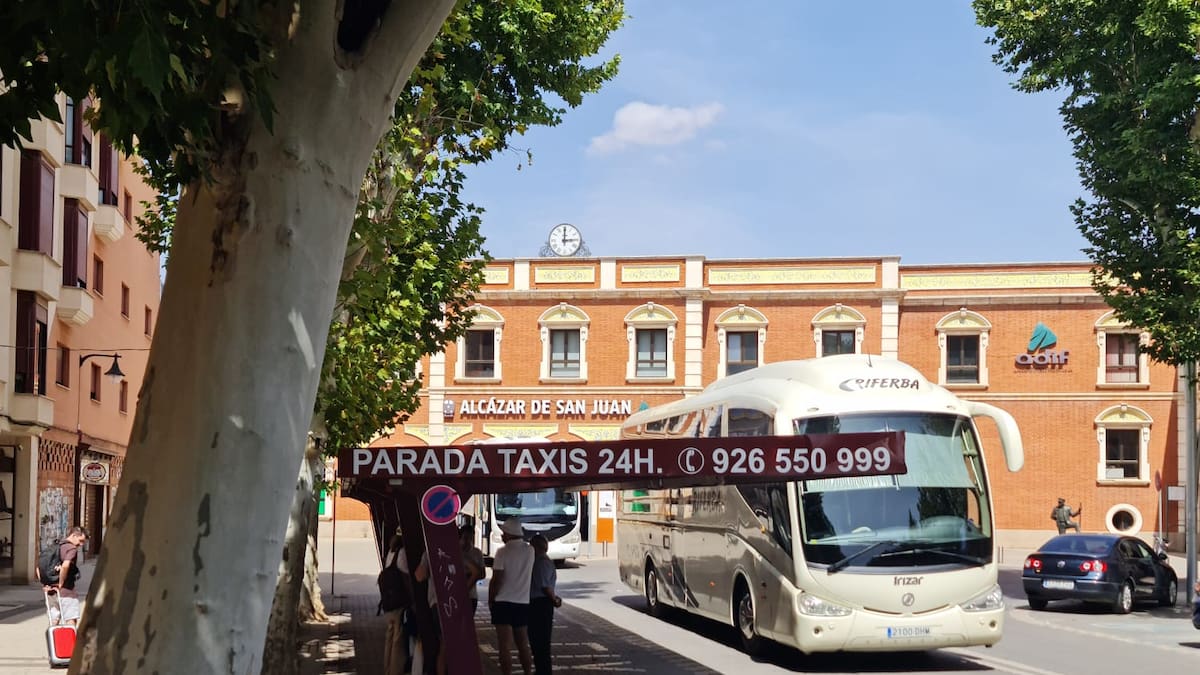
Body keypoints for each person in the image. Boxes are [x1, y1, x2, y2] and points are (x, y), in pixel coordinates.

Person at [489, 519, 535, 675]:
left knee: (504, 645)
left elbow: (497, 580)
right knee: (523, 644)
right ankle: (528, 672)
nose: (502, 536)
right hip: (522, 603)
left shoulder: (502, 552)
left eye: (503, 533)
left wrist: (491, 600)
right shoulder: (530, 551)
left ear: (509, 533)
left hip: (502, 602)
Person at [527, 535, 563, 675]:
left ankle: (543, 670)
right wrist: (555, 600)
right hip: (540, 604)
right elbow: (546, 587)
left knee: (540, 641)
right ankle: (542, 670)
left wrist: (553, 599)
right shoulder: (542, 562)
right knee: (540, 641)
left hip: (539, 603)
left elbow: (545, 587)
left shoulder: (541, 562)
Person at [379, 529, 411, 675]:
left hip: (388, 603)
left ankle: (387, 669)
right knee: (398, 641)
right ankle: (395, 671)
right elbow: (406, 578)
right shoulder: (402, 554)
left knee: (389, 638)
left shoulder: (390, 553)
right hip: (399, 603)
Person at [42, 526, 87, 625]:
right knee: (71, 619)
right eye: (80, 540)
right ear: (74, 535)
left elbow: (39, 566)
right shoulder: (72, 549)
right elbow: (66, 565)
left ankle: (54, 640)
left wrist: (45, 584)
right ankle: (70, 641)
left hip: (51, 591)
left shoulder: (54, 546)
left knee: (54, 620)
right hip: (66, 591)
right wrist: (61, 582)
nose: (81, 544)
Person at [460, 524, 486, 614]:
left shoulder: (477, 553)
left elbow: (483, 574)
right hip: (457, 595)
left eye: (471, 538)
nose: (468, 541)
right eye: (465, 538)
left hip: (472, 596)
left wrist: (472, 574)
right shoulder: (455, 552)